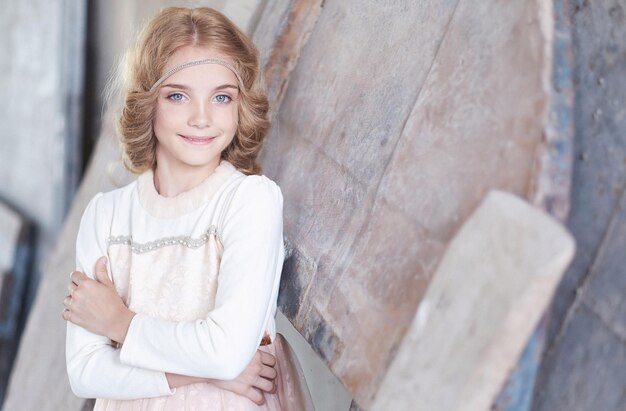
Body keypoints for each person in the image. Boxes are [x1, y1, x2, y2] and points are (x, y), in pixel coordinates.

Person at [63, 7, 286, 410]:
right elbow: (85, 372)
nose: (202, 118)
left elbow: (225, 352)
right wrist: (206, 371)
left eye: (221, 97)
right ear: (148, 102)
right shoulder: (106, 215)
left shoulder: (250, 201)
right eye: (178, 95)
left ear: (241, 106)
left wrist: (119, 325)